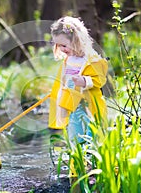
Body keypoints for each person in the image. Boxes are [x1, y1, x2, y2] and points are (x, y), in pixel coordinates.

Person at [48, 16, 108, 177]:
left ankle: (96, 168)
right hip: (73, 106)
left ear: (76, 40)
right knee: (74, 135)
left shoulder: (90, 58)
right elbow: (65, 81)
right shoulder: (68, 59)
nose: (61, 48)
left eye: (64, 45)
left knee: (92, 135)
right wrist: (58, 91)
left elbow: (100, 79)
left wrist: (85, 81)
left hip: (89, 106)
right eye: (58, 45)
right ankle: (78, 168)